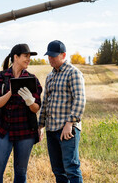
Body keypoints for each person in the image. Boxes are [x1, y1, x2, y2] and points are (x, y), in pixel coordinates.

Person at [0, 43, 42, 183]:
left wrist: (30, 101)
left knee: (20, 172)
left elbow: (36, 108)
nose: (28, 59)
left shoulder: (33, 80)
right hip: (3, 131)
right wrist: (10, 92)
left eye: (29, 56)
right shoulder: (0, 78)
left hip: (25, 132)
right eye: (26, 56)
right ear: (16, 57)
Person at [39, 40, 86, 183]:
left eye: (54, 56)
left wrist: (70, 123)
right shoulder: (50, 77)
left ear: (63, 55)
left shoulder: (73, 73)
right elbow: (45, 102)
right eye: (49, 56)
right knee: (58, 170)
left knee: (71, 168)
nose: (50, 59)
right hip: (51, 129)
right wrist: (40, 125)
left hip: (67, 129)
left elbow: (80, 99)